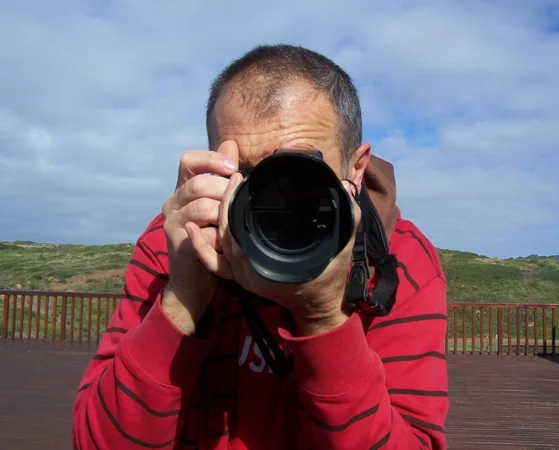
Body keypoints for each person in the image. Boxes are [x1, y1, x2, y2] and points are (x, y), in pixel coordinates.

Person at [72, 44, 449, 450]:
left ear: (355, 169)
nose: (274, 199)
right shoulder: (176, 243)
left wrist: (324, 317)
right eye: (247, 176)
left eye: (300, 173)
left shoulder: (398, 262)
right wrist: (183, 297)